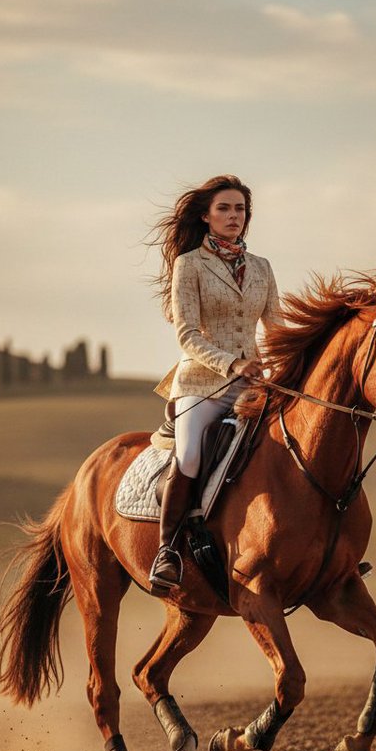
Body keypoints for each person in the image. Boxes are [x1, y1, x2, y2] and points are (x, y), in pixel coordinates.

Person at [148, 174, 282, 594]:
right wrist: (233, 363)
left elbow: (276, 328)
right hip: (202, 384)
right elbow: (187, 333)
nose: (233, 216)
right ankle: (168, 550)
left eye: (239, 209)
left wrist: (285, 367)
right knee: (189, 455)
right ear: (206, 216)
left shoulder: (262, 267)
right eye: (223, 208)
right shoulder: (189, 264)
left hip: (254, 385)